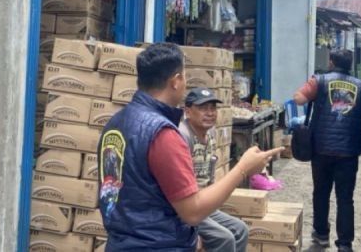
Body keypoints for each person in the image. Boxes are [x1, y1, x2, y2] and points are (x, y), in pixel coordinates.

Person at [98, 43, 282, 251]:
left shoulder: (114, 124)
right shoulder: (163, 134)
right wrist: (243, 169)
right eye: (184, 77)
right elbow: (192, 212)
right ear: (176, 81)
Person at [293, 50, 361, 252]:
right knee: (345, 197)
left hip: (321, 149)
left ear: (331, 62)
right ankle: (345, 245)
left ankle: (321, 235)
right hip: (348, 152)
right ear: (350, 64)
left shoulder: (319, 81)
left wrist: (311, 91)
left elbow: (299, 99)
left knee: (321, 193)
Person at [180, 87, 248, 252]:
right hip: (186, 208)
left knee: (241, 230)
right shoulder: (183, 136)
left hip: (203, 204)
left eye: (212, 108)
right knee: (225, 239)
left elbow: (209, 176)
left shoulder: (209, 135)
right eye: (203, 108)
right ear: (188, 112)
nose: (210, 113)